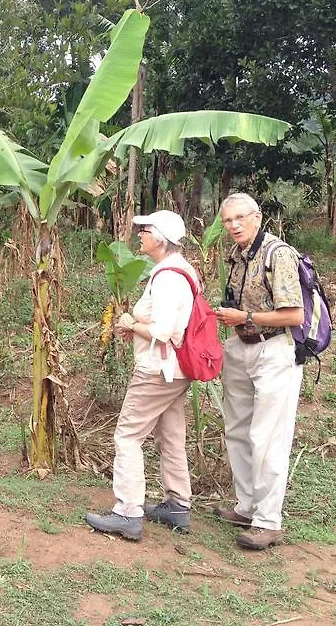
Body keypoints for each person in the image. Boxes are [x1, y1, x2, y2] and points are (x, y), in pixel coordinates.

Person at [86, 210, 199, 541]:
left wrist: (131, 324)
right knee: (171, 434)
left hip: (157, 370)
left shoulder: (167, 277)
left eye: (145, 230)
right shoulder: (183, 270)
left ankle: (127, 511)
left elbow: (163, 330)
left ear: (160, 239)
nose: (140, 234)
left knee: (128, 436)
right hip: (176, 371)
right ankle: (177, 505)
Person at [213, 192, 304, 550]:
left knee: (268, 437)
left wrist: (246, 318)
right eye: (228, 221)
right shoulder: (237, 256)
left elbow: (293, 314)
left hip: (273, 347)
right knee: (238, 430)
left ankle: (269, 522)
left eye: (240, 218)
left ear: (257, 217)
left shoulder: (278, 254)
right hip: (241, 346)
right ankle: (247, 506)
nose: (234, 225)